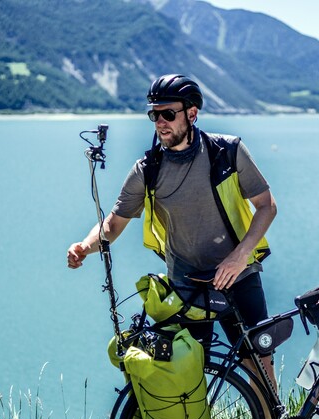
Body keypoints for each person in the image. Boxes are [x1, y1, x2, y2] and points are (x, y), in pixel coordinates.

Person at [67, 73, 278, 395]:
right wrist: (85, 246)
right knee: (186, 371)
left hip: (239, 274)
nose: (160, 122)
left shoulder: (227, 152)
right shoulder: (147, 170)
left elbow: (266, 206)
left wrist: (239, 256)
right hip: (186, 285)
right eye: (154, 114)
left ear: (191, 114)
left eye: (168, 114)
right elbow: (112, 224)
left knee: (259, 362)